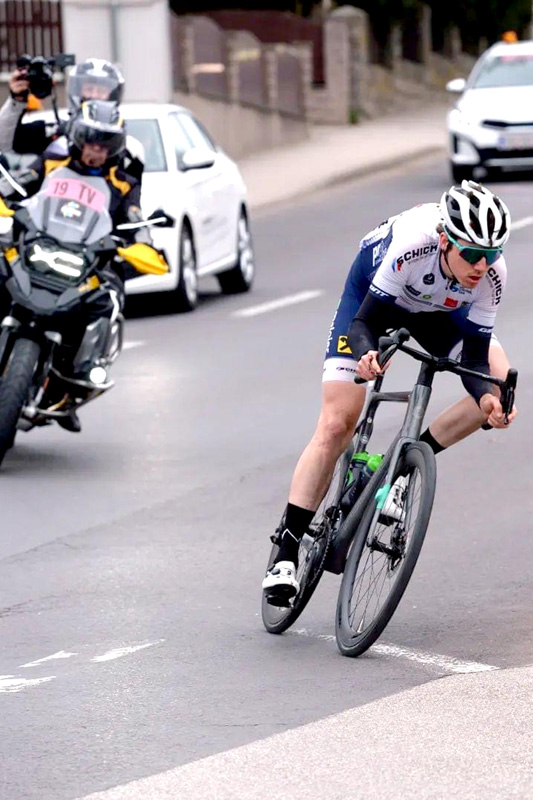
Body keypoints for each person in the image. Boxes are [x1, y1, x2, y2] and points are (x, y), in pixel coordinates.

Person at [262, 180, 517, 604]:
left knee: (497, 380)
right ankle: (286, 551)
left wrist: (488, 397)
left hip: (436, 313)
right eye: (471, 253)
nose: (481, 264)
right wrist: (365, 355)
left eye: (490, 255)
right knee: (338, 421)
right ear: (444, 240)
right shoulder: (411, 246)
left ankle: (403, 464)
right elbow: (365, 324)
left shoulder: (491, 275)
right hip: (373, 300)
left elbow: (474, 354)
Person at [0, 99, 166, 432]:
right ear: (78, 139)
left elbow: (134, 218)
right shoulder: (52, 161)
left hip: (87, 258)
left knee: (110, 298)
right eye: (92, 142)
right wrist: (5, 195)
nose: (97, 151)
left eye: (105, 145)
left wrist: (141, 242)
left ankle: (75, 376)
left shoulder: (123, 181)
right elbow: (20, 182)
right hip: (40, 242)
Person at [0, 58, 143, 181]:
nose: (94, 95)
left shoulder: (128, 148)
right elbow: (4, 143)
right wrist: (17, 100)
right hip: (48, 209)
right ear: (76, 90)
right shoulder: (54, 132)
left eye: (101, 91)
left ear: (113, 96)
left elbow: (131, 197)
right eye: (89, 89)